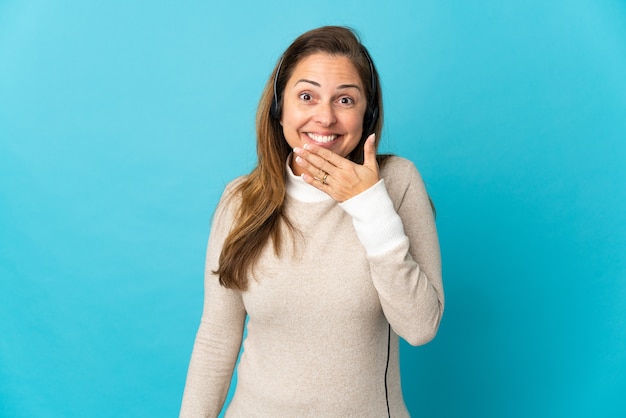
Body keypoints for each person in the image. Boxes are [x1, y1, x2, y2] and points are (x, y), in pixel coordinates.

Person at [179, 26, 444, 417]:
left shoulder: (398, 184)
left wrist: (369, 204)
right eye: (307, 96)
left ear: (366, 113)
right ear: (279, 108)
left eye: (345, 100)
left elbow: (420, 327)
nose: (325, 117)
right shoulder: (240, 200)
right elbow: (217, 339)